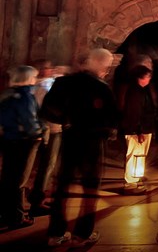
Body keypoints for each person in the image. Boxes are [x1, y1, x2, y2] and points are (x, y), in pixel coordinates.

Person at [41, 48, 119, 247]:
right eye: (107, 67)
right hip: (92, 142)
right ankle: (82, 235)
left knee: (62, 186)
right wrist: (106, 130)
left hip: (70, 137)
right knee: (90, 188)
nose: (107, 71)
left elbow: (48, 110)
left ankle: (55, 233)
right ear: (102, 66)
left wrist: (66, 120)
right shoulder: (101, 88)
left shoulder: (63, 83)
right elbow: (112, 119)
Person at [0, 65, 43, 229]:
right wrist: (38, 133)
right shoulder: (26, 96)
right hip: (24, 141)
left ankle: (4, 213)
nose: (35, 80)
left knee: (8, 177)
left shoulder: (7, 94)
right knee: (20, 179)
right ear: (28, 78)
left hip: (9, 139)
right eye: (34, 77)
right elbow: (29, 120)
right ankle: (16, 217)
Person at [29, 61, 63, 215]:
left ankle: (38, 196)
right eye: (49, 68)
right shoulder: (45, 87)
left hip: (40, 129)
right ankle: (38, 200)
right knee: (47, 164)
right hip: (50, 129)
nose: (51, 70)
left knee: (42, 165)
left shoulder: (34, 86)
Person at [120, 65, 156, 194]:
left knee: (139, 157)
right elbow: (134, 113)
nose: (149, 79)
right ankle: (130, 184)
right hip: (136, 131)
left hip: (143, 129)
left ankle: (135, 179)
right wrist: (138, 131)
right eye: (147, 77)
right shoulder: (135, 92)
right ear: (140, 78)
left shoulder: (142, 90)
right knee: (135, 156)